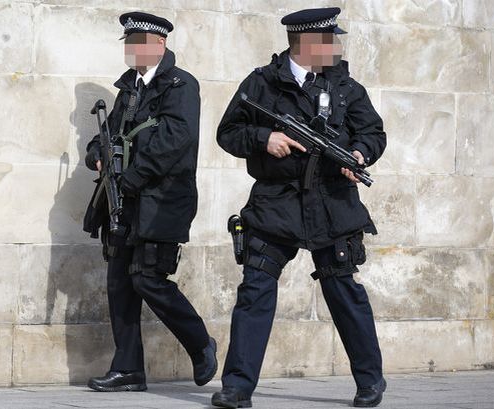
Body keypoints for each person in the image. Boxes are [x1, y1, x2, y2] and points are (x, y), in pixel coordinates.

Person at [212, 7, 387, 408]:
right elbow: (228, 132)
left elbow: (372, 133)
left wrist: (359, 154)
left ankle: (370, 381)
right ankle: (237, 388)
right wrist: (263, 137)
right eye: (331, 40)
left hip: (331, 202)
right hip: (277, 202)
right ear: (308, 44)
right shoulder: (261, 84)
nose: (337, 46)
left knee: (343, 291)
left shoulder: (346, 87)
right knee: (255, 290)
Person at [83, 11, 217, 393]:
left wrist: (133, 177)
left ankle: (200, 343)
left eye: (139, 42)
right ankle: (128, 369)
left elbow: (176, 140)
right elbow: (109, 135)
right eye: (128, 42)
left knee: (148, 278)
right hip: (124, 200)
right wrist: (96, 152)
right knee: (119, 284)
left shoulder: (180, 85)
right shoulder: (128, 89)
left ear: (159, 45)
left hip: (162, 199)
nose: (132, 49)